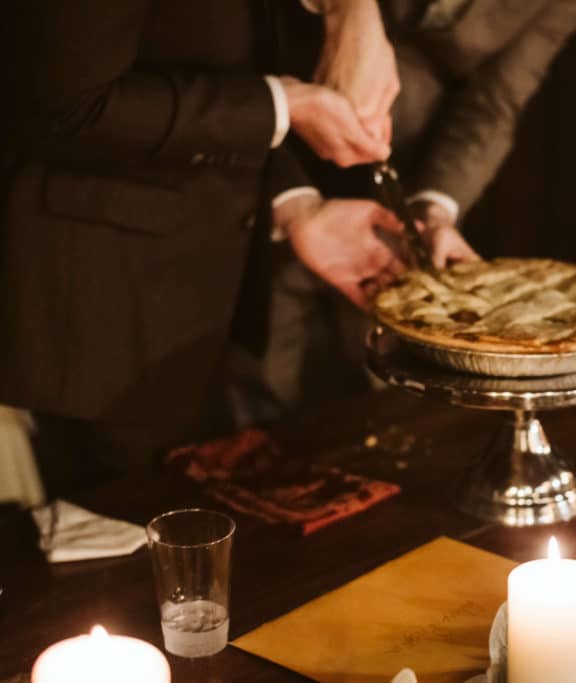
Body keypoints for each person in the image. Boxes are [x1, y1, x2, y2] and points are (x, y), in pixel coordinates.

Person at [0, 0, 445, 494]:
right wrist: (279, 106)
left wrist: (296, 204)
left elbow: (198, 58)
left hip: (203, 302)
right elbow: (63, 106)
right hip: (96, 314)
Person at [244, 0, 576, 415]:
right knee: (253, 398)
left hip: (402, 190)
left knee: (376, 403)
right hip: (253, 158)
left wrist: (435, 208)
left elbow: (495, 101)